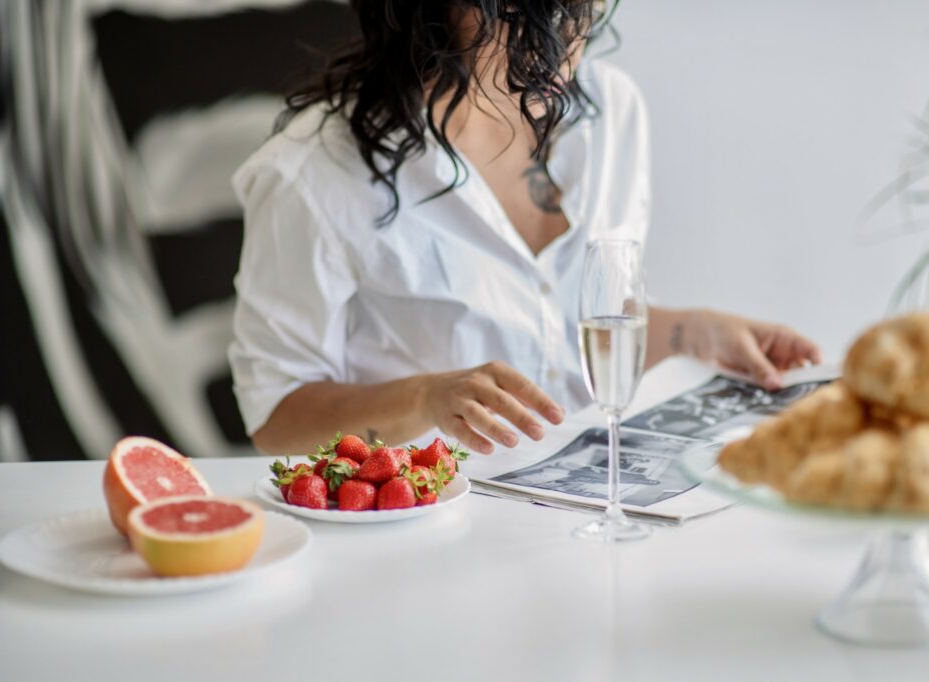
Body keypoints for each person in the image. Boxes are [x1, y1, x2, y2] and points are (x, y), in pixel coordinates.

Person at [230, 0, 821, 456]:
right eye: (519, 13)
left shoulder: (611, 111)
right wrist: (426, 398)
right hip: (427, 533)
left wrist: (691, 332)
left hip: (585, 503)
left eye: (576, 10)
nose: (563, 43)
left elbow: (577, 328)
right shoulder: (309, 175)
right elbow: (275, 420)